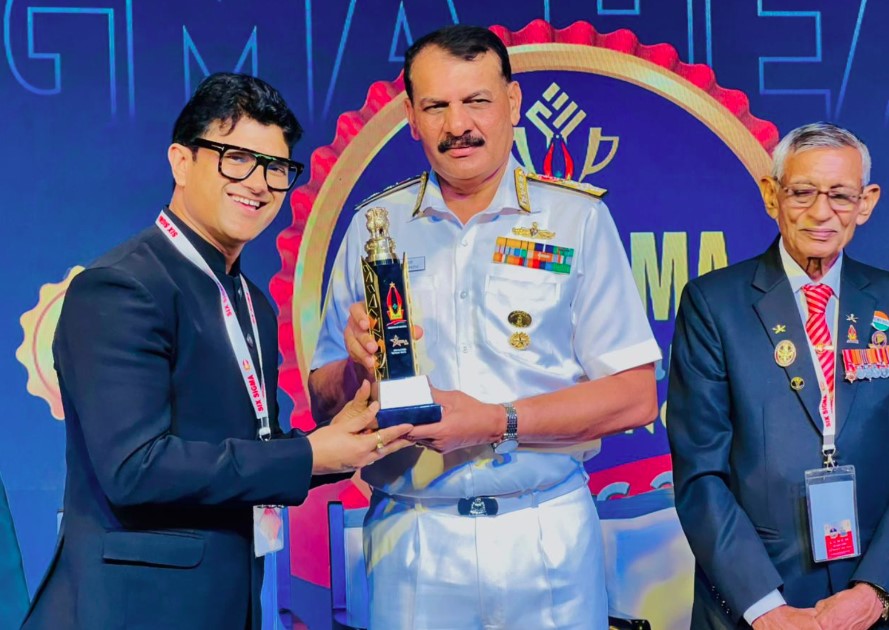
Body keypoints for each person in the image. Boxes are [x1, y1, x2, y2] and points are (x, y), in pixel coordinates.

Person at [21, 72, 412, 630]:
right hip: (134, 609)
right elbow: (135, 468)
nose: (259, 183)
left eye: (276, 168)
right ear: (181, 162)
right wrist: (308, 456)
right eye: (236, 159)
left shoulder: (252, 301)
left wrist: (339, 445)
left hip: (228, 602)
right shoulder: (120, 287)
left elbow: (247, 450)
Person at [309, 25, 660, 629]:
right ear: (410, 117)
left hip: (545, 531)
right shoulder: (374, 227)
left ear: (513, 103)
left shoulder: (576, 219)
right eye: (436, 106)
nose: (458, 125)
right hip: (413, 537)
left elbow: (635, 397)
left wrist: (498, 421)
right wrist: (358, 368)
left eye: (477, 101)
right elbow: (323, 400)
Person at [667, 122, 889, 630]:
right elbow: (701, 474)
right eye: (803, 192)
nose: (821, 212)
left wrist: (876, 590)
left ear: (866, 203)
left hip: (872, 603)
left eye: (840, 195)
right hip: (755, 603)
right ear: (772, 195)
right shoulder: (713, 305)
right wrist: (766, 609)